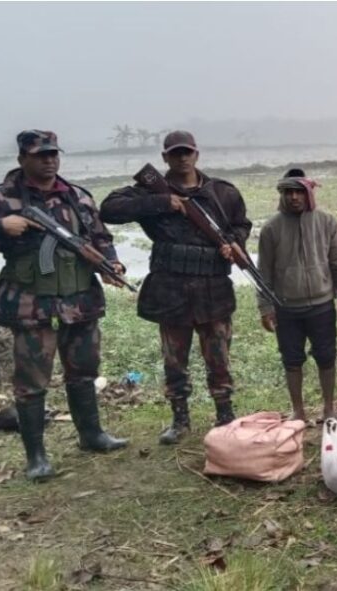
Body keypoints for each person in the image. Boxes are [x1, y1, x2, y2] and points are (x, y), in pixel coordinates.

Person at [0, 130, 127, 480]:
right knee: (32, 381)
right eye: (40, 155)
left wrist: (112, 263)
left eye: (53, 154)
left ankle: (91, 435)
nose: (49, 160)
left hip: (79, 298)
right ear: (22, 159)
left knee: (84, 369)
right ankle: (37, 457)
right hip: (31, 302)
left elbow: (99, 237)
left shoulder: (77, 196)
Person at [101, 131, 251, 443]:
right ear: (165, 157)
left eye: (188, 152)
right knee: (174, 361)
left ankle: (225, 414)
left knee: (219, 357)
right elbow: (109, 209)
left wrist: (234, 243)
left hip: (213, 290)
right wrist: (162, 202)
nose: (182, 158)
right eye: (175, 153)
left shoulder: (222, 192)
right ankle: (180, 419)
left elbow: (240, 224)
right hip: (172, 290)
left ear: (197, 154)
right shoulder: (150, 191)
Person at [257, 174, 337, 422]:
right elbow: (264, 273)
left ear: (309, 193)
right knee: (291, 359)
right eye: (288, 192)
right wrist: (265, 307)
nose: (294, 197)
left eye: (299, 192)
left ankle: (329, 408)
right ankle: (297, 412)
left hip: (321, 304)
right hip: (286, 307)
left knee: (326, 356)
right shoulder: (271, 229)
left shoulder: (327, 222)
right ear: (282, 195)